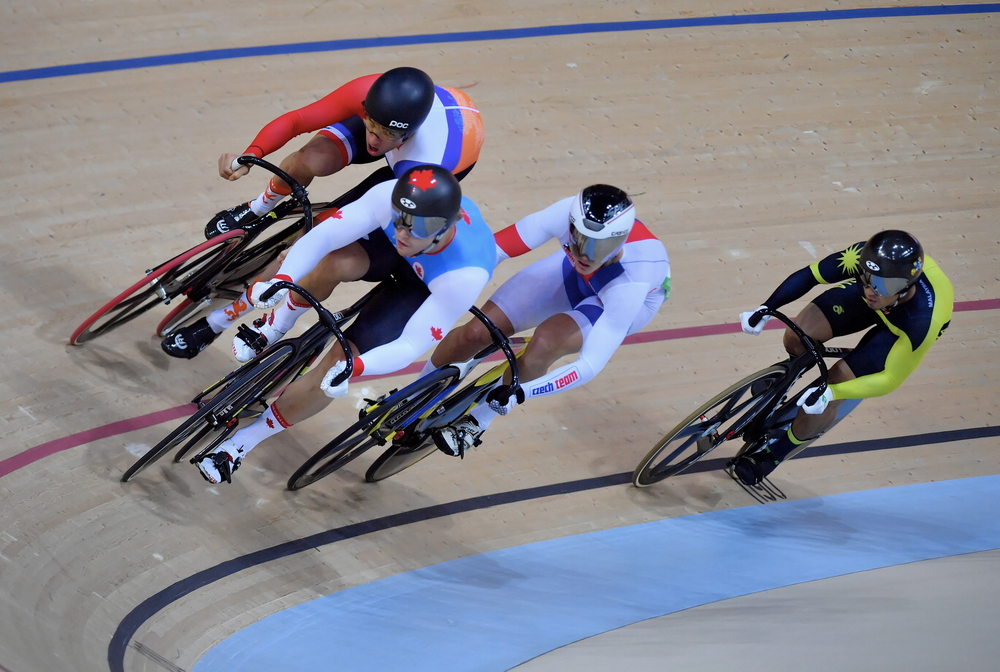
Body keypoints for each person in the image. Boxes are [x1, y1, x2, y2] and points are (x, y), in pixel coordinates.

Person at [194, 164, 495, 484]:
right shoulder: (390, 204)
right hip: (388, 250)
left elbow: (410, 344)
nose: (404, 230)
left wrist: (357, 367)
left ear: (443, 228)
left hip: (422, 285)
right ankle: (275, 325)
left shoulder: (465, 274)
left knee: (339, 363)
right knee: (335, 261)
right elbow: (322, 238)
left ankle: (242, 442)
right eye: (400, 218)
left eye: (418, 226)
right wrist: (281, 281)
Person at [161, 66, 485, 358]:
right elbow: (298, 120)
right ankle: (258, 207)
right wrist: (250, 154)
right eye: (369, 125)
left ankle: (225, 320)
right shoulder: (368, 93)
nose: (373, 140)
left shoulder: (425, 163)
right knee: (312, 158)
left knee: (320, 248)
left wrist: (316, 238)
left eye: (385, 135)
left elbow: (370, 216)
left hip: (419, 177)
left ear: (408, 134)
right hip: (408, 138)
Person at [419, 184, 671, 458]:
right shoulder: (564, 213)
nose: (586, 254)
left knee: (545, 342)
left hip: (615, 300)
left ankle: (478, 420)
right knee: (476, 333)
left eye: (600, 247)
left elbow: (588, 366)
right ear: (572, 225)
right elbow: (497, 249)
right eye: (580, 240)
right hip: (570, 275)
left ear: (620, 241)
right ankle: (414, 397)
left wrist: (521, 393)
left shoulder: (632, 283)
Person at [729, 230, 954, 486]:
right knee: (796, 336)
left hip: (897, 329)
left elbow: (890, 378)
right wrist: (767, 307)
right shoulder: (862, 259)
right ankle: (787, 381)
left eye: (883, 286)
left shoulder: (922, 322)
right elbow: (811, 274)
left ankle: (774, 455)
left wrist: (830, 395)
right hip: (875, 306)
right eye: (867, 279)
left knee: (833, 386)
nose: (872, 290)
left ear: (906, 287)